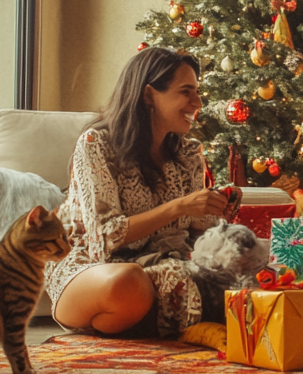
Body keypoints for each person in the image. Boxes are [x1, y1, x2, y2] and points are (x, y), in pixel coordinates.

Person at [45, 47, 231, 336]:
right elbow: (104, 238)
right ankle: (152, 319)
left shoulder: (189, 153)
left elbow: (198, 234)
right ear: (148, 95)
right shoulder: (96, 144)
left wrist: (217, 212)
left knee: (245, 266)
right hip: (95, 267)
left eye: (197, 91)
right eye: (186, 92)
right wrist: (180, 206)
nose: (197, 102)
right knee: (130, 282)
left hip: (168, 264)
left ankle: (148, 324)